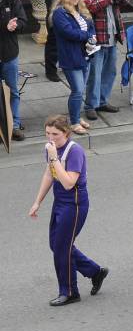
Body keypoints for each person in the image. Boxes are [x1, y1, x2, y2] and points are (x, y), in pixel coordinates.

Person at [28, 114, 108, 306]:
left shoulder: (74, 151)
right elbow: (49, 174)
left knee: (62, 248)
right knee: (56, 244)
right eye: (47, 133)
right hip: (60, 201)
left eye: (55, 134)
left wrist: (55, 158)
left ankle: (70, 291)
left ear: (66, 133)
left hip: (75, 203)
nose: (50, 138)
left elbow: (68, 183)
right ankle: (95, 271)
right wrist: (37, 201)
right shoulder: (51, 149)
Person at [50, 0, 94, 135]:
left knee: (80, 91)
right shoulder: (59, 13)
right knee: (77, 91)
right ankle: (74, 123)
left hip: (84, 55)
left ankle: (76, 117)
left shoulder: (80, 9)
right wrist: (87, 35)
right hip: (70, 57)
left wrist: (91, 36)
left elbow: (90, 25)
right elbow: (69, 32)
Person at [82, 0, 127, 119]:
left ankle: (102, 102)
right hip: (98, 39)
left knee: (110, 72)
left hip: (113, 36)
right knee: (95, 74)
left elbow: (126, 2)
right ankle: (90, 106)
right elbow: (91, 6)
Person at [1, 0, 28, 141]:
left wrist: (16, 25)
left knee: (13, 91)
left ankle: (14, 125)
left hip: (9, 53)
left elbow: (24, 21)